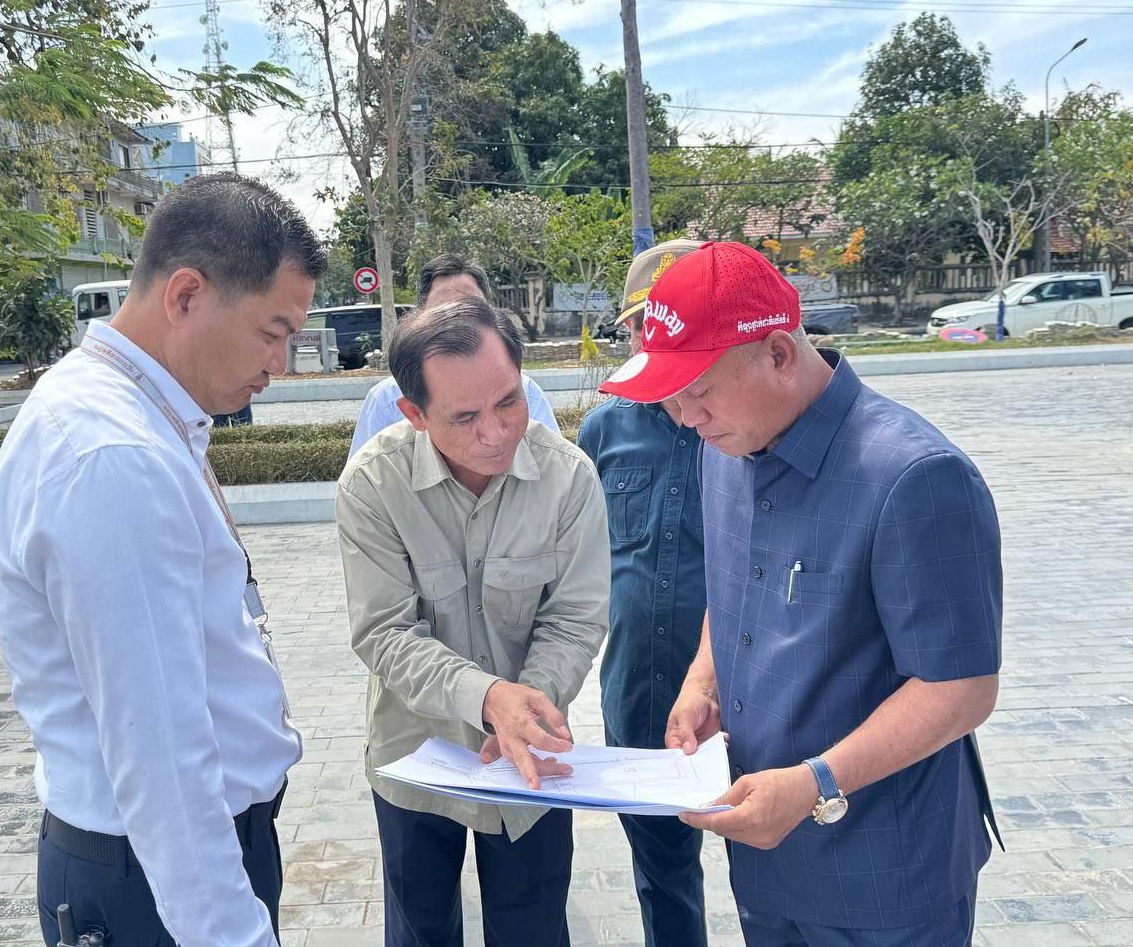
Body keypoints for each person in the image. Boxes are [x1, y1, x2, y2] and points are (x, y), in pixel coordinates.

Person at [599, 241, 1003, 947]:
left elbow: (961, 687)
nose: (685, 416)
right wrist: (702, 682)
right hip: (768, 861)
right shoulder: (727, 451)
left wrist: (815, 783)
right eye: (672, 394)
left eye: (699, 389)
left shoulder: (915, 477)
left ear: (780, 354)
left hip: (886, 873)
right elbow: (733, 589)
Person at [0, 173, 326, 947]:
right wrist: (233, 935)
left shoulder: (138, 416)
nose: (279, 363)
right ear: (186, 295)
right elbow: (160, 754)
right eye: (271, 332)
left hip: (167, 866)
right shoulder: (113, 454)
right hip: (158, 885)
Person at [335, 297, 610, 947]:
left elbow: (574, 618)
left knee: (534, 930)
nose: (496, 432)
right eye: (464, 416)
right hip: (416, 753)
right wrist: (489, 699)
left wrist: (526, 708)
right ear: (414, 413)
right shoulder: (373, 486)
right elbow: (385, 632)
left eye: (509, 401)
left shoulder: (569, 480)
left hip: (533, 759)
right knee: (421, 931)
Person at [575, 238, 709, 947]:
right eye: (640, 328)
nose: (650, 344)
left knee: (774, 864)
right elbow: (573, 559)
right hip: (639, 689)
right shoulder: (605, 428)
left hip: (743, 693)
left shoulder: (748, 425)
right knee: (662, 872)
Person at [348, 254, 559, 456]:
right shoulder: (385, 400)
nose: (459, 321)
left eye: (471, 308)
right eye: (443, 312)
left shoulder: (526, 392)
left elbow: (550, 463)